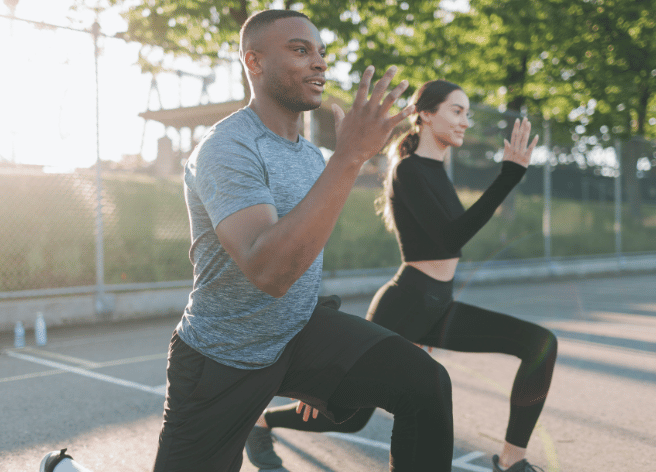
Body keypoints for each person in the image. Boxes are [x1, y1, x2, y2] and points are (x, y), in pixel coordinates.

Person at [153, 10, 457, 472]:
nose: (318, 63)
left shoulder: (311, 156)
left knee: (425, 384)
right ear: (254, 62)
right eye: (300, 50)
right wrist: (351, 156)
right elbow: (269, 272)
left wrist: (327, 363)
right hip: (223, 358)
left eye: (321, 53)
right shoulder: (226, 149)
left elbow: (304, 256)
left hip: (297, 335)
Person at [246, 80, 558, 472]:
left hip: (438, 304)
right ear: (426, 114)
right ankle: (260, 421)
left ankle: (513, 460)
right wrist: (508, 176)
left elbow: (451, 236)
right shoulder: (408, 170)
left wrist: (508, 176)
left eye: (467, 113)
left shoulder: (436, 170)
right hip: (406, 304)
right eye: (456, 111)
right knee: (350, 412)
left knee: (539, 344)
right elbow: (450, 237)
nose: (465, 121)